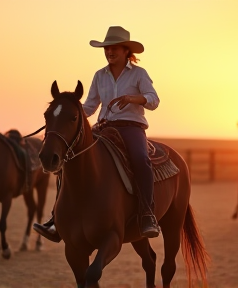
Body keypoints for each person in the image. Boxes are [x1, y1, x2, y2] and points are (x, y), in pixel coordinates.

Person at [33, 26, 161, 241]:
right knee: (70, 160)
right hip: (104, 126)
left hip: (131, 127)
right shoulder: (99, 75)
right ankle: (56, 219)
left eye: (114, 49)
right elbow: (90, 106)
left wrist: (133, 99)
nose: (109, 52)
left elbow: (154, 100)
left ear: (126, 51)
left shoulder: (139, 74)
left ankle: (147, 214)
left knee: (141, 159)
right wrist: (66, 116)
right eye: (107, 49)